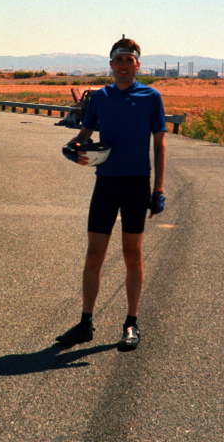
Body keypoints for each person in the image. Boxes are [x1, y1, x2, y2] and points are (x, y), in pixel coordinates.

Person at [56, 36, 167, 351]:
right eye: (118, 60)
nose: (122, 66)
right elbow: (83, 136)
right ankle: (85, 323)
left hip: (136, 183)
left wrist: (158, 188)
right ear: (111, 65)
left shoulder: (150, 97)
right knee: (94, 255)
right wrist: (71, 149)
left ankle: (131, 323)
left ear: (137, 65)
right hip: (105, 182)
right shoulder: (100, 98)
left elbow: (159, 142)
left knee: (133, 253)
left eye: (128, 60)